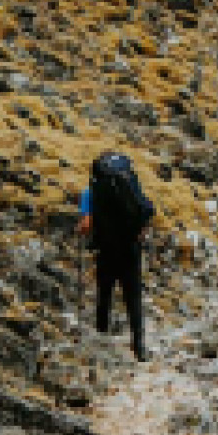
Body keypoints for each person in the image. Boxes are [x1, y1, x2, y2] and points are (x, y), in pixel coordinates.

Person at [79, 151, 156, 359]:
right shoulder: (129, 183)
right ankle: (138, 346)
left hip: (106, 249)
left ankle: (101, 336)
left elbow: (86, 225)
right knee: (133, 296)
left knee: (105, 292)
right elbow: (145, 209)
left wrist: (87, 228)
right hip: (130, 248)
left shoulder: (90, 192)